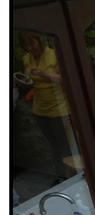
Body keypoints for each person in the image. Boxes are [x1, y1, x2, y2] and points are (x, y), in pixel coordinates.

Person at [16, 31, 72, 185]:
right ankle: (61, 175)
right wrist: (21, 82)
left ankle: (71, 176)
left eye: (32, 43)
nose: (30, 48)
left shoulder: (53, 55)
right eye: (26, 45)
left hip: (58, 107)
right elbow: (30, 81)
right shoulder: (27, 58)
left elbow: (65, 78)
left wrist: (45, 74)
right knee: (53, 143)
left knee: (64, 143)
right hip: (40, 108)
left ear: (39, 41)